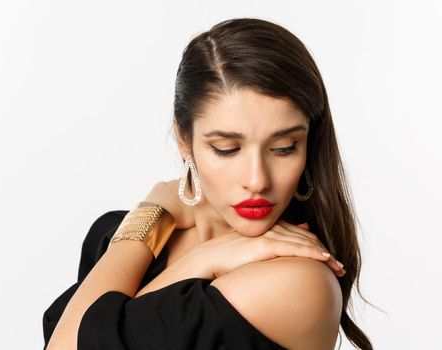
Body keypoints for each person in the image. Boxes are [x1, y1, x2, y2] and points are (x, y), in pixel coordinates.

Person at [43, 17, 374, 350]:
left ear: (308, 147)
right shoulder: (120, 234)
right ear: (185, 141)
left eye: (284, 148)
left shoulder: (299, 283)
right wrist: (197, 256)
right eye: (226, 149)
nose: (257, 180)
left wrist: (157, 229)